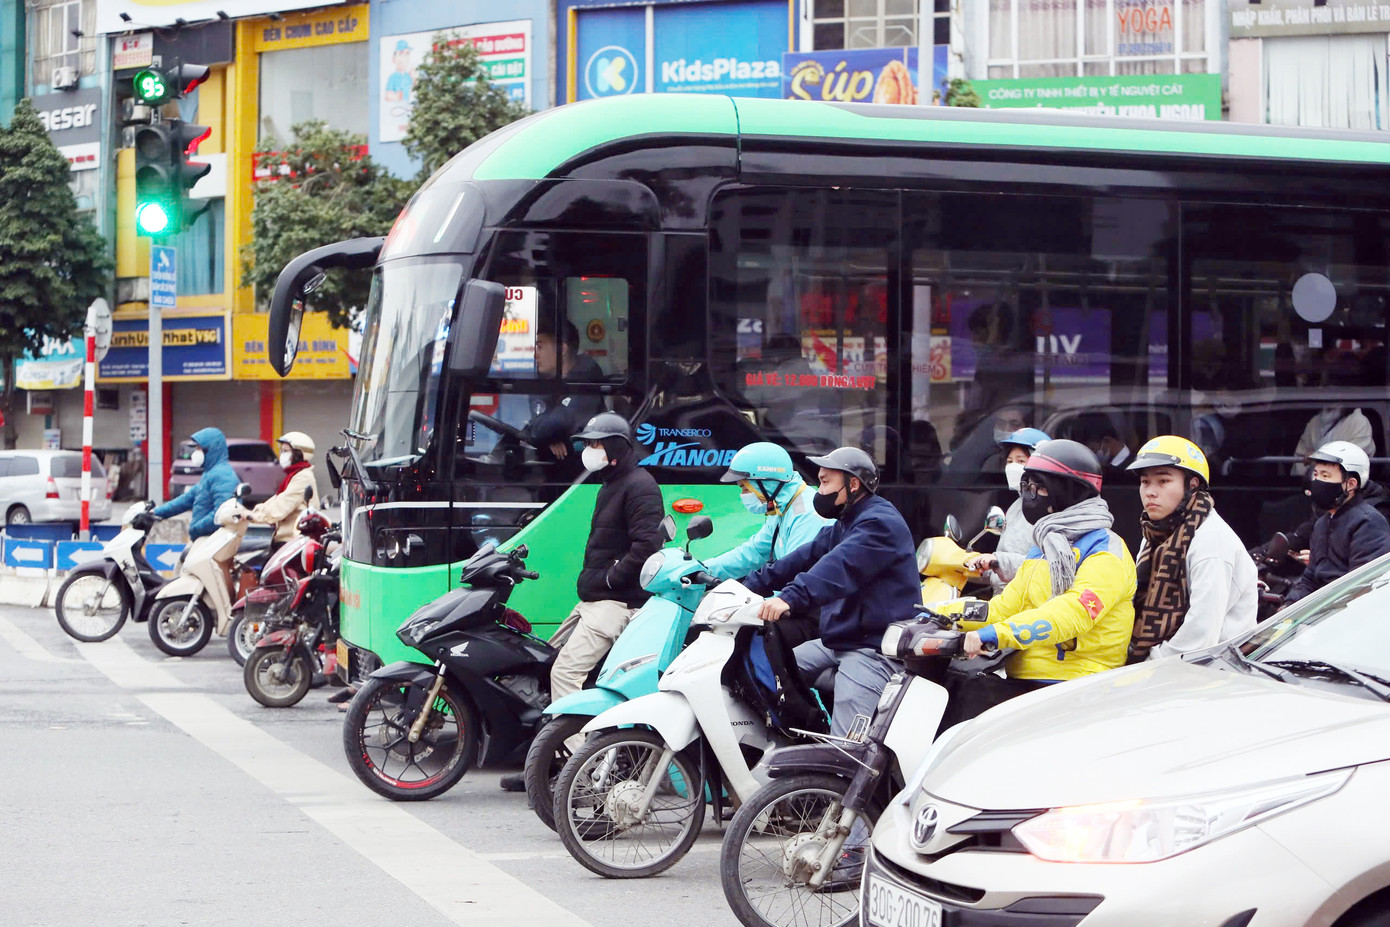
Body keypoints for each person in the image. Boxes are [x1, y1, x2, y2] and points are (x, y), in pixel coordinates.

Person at [499, 413, 665, 792]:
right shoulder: (612, 483)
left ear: (616, 449)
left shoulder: (640, 486)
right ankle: (546, 762)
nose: (587, 451)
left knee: (564, 675)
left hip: (614, 604)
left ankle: (583, 770)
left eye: (595, 444)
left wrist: (609, 578)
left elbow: (646, 547)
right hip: (594, 599)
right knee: (545, 663)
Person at [949, 439, 1136, 722]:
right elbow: (1003, 607)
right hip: (1028, 684)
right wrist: (936, 613)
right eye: (1028, 487)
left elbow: (1072, 613)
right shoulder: (1044, 547)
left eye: (1040, 487)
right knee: (956, 691)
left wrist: (994, 635)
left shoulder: (1106, 549)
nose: (1031, 495)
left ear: (1069, 491)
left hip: (1078, 688)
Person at [743, 447, 921, 740]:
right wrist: (745, 587)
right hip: (842, 639)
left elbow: (836, 568)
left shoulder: (879, 524)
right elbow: (804, 557)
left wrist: (788, 597)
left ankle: (839, 777)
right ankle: (804, 740)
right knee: (774, 671)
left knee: (846, 745)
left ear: (853, 484)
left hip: (872, 649)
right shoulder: (847, 521)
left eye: (826, 482)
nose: (819, 490)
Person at [1125, 436, 1257, 662]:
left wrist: (1144, 667)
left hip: (1210, 668)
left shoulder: (1211, 541)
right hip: (1165, 664)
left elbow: (1201, 636)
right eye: (1145, 482)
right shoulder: (1156, 532)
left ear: (1192, 485)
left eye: (1163, 481)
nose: (1150, 492)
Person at [705, 442, 832, 648]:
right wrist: (700, 568)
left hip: (816, 615)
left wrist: (749, 603)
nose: (743, 495)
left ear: (766, 483)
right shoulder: (783, 507)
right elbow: (753, 551)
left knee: (746, 638)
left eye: (745, 487)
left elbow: (795, 575)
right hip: (796, 604)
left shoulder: (808, 515)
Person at [1285, 441, 1390, 604]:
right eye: (1316, 475)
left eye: (1326, 476)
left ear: (1351, 484)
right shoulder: (1321, 524)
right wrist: (1288, 606)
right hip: (1321, 613)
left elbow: (1363, 585)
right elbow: (1310, 577)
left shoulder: (1368, 522)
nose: (1318, 481)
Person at [964, 427, 1050, 593]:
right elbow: (1005, 559)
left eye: (1020, 461)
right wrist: (980, 566)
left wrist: (998, 562)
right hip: (1004, 597)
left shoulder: (1050, 511)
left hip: (1028, 603)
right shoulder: (1017, 506)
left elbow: (1044, 565)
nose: (1012, 467)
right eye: (1009, 462)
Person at [525, 320, 605, 460]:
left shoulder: (587, 380)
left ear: (562, 349)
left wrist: (547, 434)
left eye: (540, 347)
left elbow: (555, 425)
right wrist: (550, 437)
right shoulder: (548, 382)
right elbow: (540, 426)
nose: (535, 355)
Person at [151, 427, 239, 540]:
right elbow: (186, 499)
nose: (195, 452)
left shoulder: (222, 475)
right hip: (205, 539)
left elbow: (222, 514)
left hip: (212, 540)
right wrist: (156, 512)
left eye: (198, 448)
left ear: (209, 450)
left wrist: (195, 529)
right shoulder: (210, 474)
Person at [250, 432, 319, 551]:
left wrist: (252, 517)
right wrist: (252, 511)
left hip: (293, 543)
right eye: (282, 451)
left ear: (298, 454)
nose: (282, 455)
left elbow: (279, 509)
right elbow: (277, 500)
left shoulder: (303, 477)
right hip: (287, 541)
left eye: (286, 451)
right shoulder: (294, 475)